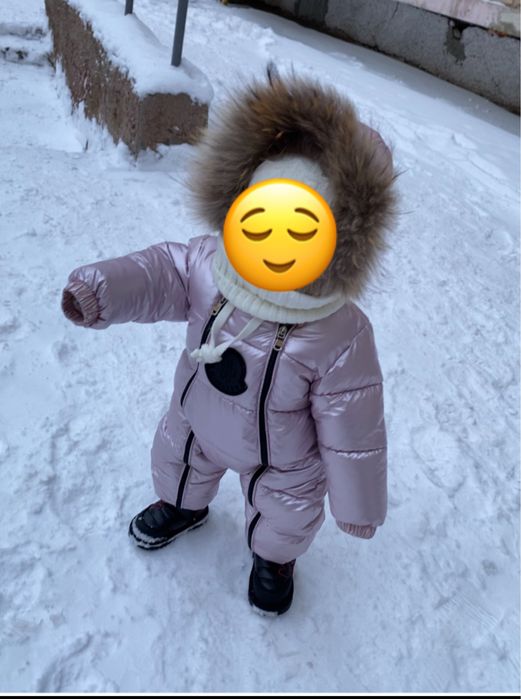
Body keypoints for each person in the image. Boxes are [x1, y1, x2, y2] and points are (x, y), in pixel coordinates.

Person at [61, 72, 397, 616]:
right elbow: (159, 272)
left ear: (337, 240)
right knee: (178, 459)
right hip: (197, 416)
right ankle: (183, 506)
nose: (275, 245)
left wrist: (358, 502)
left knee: (285, 511)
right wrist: (101, 290)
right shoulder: (208, 267)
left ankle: (274, 559)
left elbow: (353, 424)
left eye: (301, 231)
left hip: (282, 457)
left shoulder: (340, 331)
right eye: (260, 222)